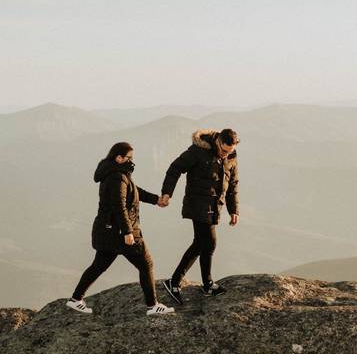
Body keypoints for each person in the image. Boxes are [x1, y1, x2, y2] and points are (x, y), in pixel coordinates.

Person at [67, 142, 174, 315]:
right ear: (119, 158)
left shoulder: (115, 174)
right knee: (146, 264)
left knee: (98, 266)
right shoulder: (117, 176)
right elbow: (119, 205)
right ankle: (152, 305)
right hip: (119, 232)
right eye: (129, 158)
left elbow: (134, 191)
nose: (131, 162)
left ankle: (75, 299)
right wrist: (128, 232)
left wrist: (156, 200)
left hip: (107, 231)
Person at [158, 128, 239, 304]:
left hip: (214, 206)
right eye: (224, 150)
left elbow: (232, 184)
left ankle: (202, 283)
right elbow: (175, 168)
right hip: (197, 203)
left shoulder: (231, 156)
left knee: (202, 243)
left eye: (230, 151)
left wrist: (234, 210)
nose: (226, 155)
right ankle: (180, 282)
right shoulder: (198, 151)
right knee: (208, 242)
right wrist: (167, 193)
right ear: (218, 141)